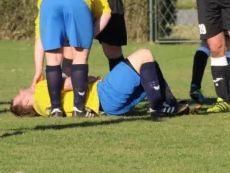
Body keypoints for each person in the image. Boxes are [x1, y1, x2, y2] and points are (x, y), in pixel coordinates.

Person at [12, 48, 194, 120]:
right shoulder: (43, 91)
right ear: (26, 102)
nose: (21, 90)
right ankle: (158, 108)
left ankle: (169, 104)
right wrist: (90, 78)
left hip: (110, 108)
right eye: (19, 95)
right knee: (145, 55)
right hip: (104, 94)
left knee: (149, 68)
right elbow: (72, 83)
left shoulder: (45, 110)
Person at [31, 0, 112, 118]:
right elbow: (106, 12)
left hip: (48, 3)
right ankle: (78, 108)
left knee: (53, 60)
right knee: (80, 57)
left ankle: (55, 109)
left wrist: (38, 69)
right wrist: (89, 35)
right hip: (77, 1)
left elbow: (40, 35)